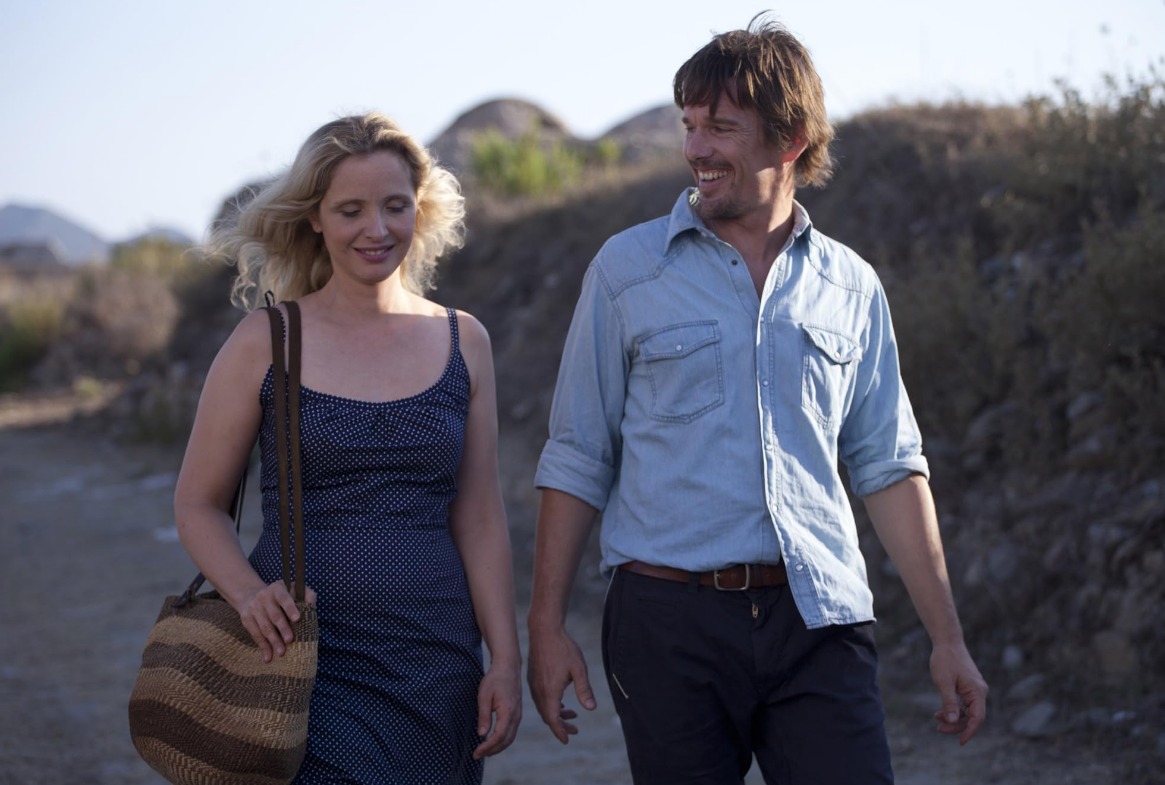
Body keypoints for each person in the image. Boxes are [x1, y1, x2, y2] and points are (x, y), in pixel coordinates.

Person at [526, 15, 987, 784]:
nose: (695, 149)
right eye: (689, 125)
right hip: (666, 619)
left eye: (720, 127)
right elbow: (577, 453)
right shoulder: (626, 271)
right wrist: (545, 624)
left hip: (819, 621)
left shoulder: (850, 285)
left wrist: (947, 636)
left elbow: (888, 464)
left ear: (791, 138)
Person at [174, 112, 522, 784]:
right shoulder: (265, 340)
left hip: (438, 663)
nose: (377, 228)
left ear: (418, 210)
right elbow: (197, 502)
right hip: (302, 661)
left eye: (395, 206)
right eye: (351, 209)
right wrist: (246, 594)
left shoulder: (463, 340)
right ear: (315, 218)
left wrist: (503, 661)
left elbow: (479, 516)